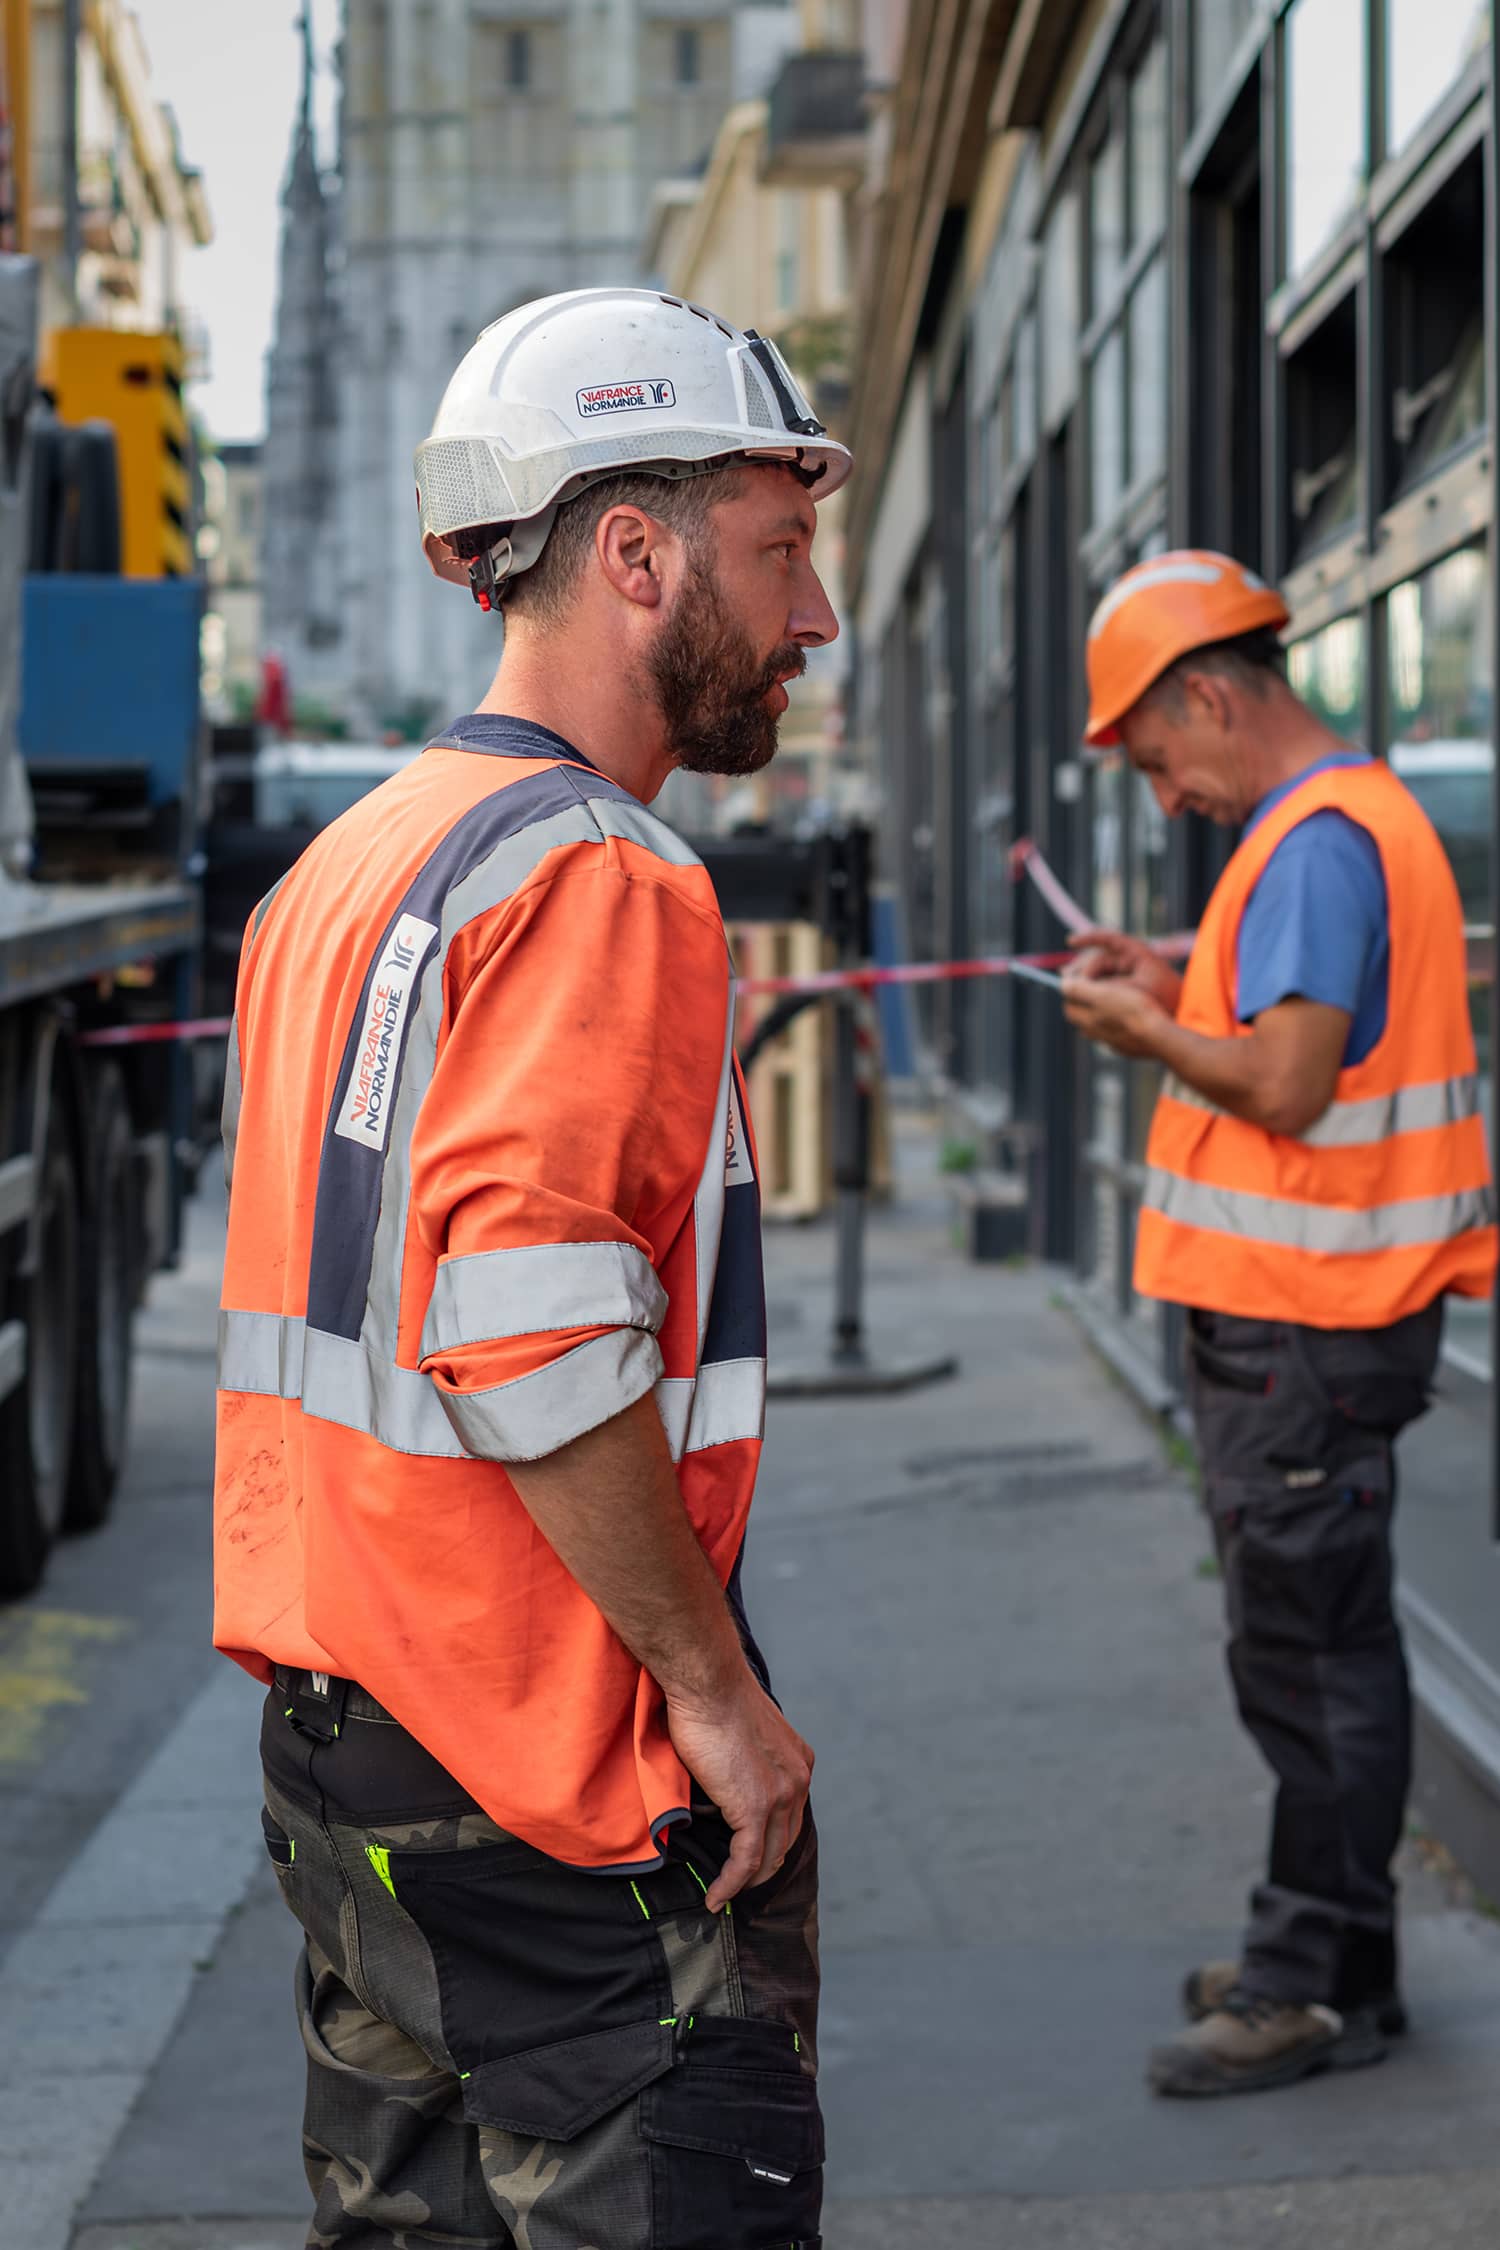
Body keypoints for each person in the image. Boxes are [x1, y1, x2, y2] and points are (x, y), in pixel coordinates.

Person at [213, 288, 847, 2247]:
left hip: (347, 1744)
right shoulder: (600, 873)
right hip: (552, 1766)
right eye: (782, 547)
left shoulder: (349, 868)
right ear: (634, 555)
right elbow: (532, 1335)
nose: (814, 616)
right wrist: (718, 1698)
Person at [1061, 550, 1497, 2100]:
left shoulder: (1314, 843)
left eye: (1156, 751)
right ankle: (1344, 1960)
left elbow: (1291, 1083)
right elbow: (1318, 1018)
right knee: (1327, 1646)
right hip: (1328, 1321)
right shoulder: (1342, 826)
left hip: (1305, 1326)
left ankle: (1304, 1977)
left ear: (1212, 694)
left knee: (1308, 1661)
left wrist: (1144, 1028)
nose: (1163, 789)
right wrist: (1182, 973)